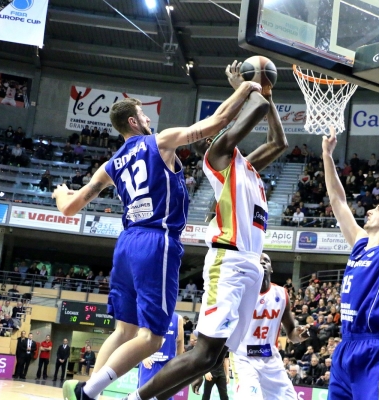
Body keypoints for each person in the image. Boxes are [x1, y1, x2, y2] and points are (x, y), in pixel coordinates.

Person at [55, 78, 262, 400]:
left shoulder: (109, 166)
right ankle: (89, 391)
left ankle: (89, 390)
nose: (151, 120)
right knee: (152, 338)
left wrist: (59, 193)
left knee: (124, 330)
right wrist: (245, 88)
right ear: (134, 121)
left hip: (126, 243)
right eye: (145, 116)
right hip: (156, 240)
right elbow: (218, 122)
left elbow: (69, 208)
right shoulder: (160, 142)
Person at [125, 61, 287, 400]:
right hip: (228, 262)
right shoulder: (218, 156)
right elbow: (255, 108)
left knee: (212, 358)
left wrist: (263, 92)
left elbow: (279, 141)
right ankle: (136, 399)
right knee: (202, 353)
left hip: (250, 266)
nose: (220, 131)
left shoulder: (247, 167)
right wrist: (249, 86)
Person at [322, 124, 379, 400]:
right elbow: (337, 201)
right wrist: (327, 156)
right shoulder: (361, 244)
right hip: (346, 347)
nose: (370, 210)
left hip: (376, 350)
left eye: (377, 209)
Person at [230, 253, 309, 399]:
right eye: (258, 261)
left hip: (270, 359)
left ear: (271, 268)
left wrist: (300, 335)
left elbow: (291, 332)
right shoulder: (242, 292)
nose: (263, 263)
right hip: (244, 358)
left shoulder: (281, 294)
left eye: (266, 261)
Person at [138, 313, 184, 400]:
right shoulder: (148, 312)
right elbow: (139, 336)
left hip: (168, 365)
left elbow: (180, 341)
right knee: (144, 395)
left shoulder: (178, 318)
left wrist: (179, 363)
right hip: (150, 363)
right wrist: (143, 357)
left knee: (166, 396)